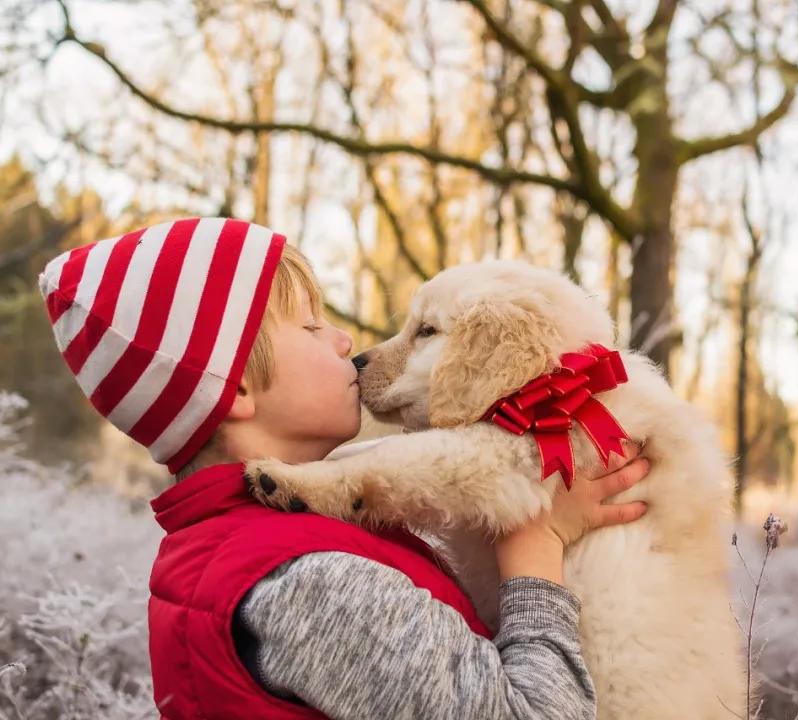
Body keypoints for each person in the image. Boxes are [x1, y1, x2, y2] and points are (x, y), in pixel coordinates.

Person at [38, 217, 650, 719]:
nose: (342, 341)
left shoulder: (262, 543)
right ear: (235, 389)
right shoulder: (306, 585)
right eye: (310, 324)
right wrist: (536, 544)